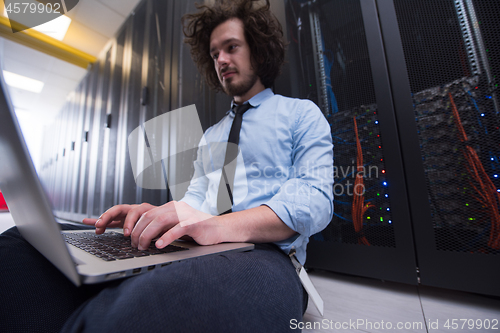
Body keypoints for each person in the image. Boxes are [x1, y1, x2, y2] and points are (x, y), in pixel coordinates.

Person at [0, 0, 333, 331]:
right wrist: (155, 214)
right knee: (20, 247)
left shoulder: (300, 115)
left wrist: (221, 226)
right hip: (195, 246)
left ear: (258, 51)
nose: (222, 60)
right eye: (215, 54)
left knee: (141, 310)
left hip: (268, 255)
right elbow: (196, 200)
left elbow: (314, 199)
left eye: (231, 47)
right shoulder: (212, 135)